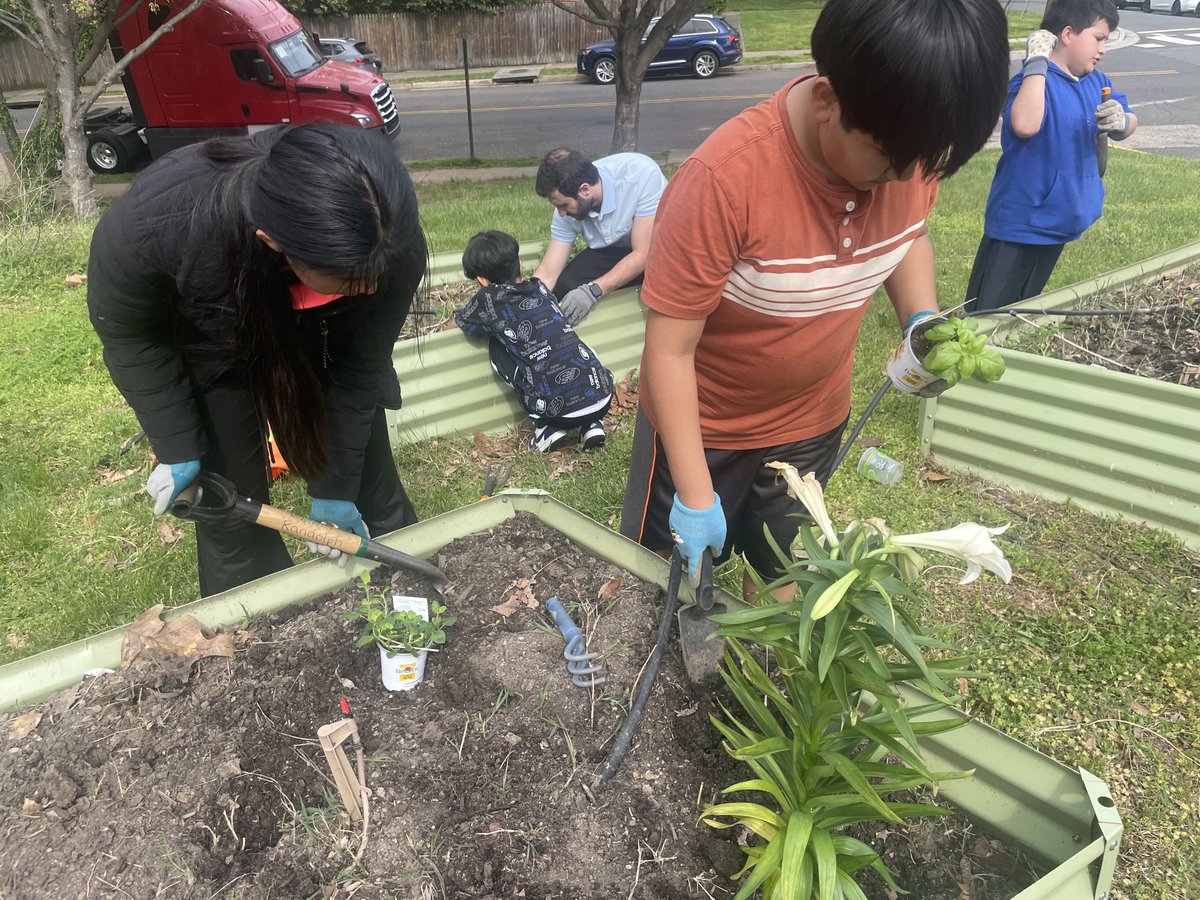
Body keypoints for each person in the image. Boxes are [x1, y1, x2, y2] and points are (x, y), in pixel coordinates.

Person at [618, 0, 1011, 596]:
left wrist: (920, 317)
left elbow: (908, 237)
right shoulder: (722, 182)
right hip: (706, 427)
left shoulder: (910, 144)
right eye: (891, 163)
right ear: (827, 102)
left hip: (812, 422)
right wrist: (696, 496)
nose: (909, 180)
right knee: (672, 586)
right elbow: (668, 352)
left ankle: (763, 673)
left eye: (926, 164)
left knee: (790, 572)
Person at [87, 124, 428, 597]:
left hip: (331, 336)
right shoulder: (156, 222)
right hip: (216, 333)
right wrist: (177, 445)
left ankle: (408, 584)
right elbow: (131, 337)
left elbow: (359, 367)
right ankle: (263, 626)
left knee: (361, 466)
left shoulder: (387, 234)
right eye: (352, 278)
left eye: (378, 275)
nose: (371, 289)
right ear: (273, 243)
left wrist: (335, 487)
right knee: (233, 500)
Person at [965, 0, 1136, 312]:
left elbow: (1128, 119)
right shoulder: (1034, 81)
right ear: (1068, 34)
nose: (1103, 48)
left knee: (1023, 312)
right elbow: (1025, 124)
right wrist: (1036, 62)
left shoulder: (1097, 82)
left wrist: (1122, 120)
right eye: (1099, 38)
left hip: (1060, 222)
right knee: (985, 317)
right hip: (1021, 226)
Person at [456, 230, 615, 452]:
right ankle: (591, 424)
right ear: (519, 263)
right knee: (572, 347)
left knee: (497, 347)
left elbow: (464, 323)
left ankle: (545, 430)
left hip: (558, 412)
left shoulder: (488, 299)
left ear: (482, 280)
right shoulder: (540, 287)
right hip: (603, 396)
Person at [531, 147, 667, 325]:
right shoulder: (566, 206)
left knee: (660, 288)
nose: (561, 213)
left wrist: (593, 290)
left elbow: (643, 254)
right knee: (566, 285)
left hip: (659, 250)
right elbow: (548, 272)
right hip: (614, 249)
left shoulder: (641, 176)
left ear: (585, 190)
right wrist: (526, 302)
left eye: (564, 205)